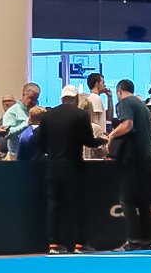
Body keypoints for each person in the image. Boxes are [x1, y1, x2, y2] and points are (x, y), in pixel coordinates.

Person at [38, 85, 104, 253]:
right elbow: (88, 141)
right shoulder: (80, 115)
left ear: (61, 98)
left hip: (53, 167)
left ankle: (53, 243)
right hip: (73, 166)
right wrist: (101, 140)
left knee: (54, 206)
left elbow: (40, 144)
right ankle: (78, 244)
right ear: (75, 98)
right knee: (76, 206)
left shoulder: (47, 116)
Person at [110, 80, 151, 250]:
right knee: (144, 202)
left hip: (133, 160)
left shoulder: (125, 102)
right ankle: (146, 241)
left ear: (119, 91)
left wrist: (111, 136)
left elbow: (127, 125)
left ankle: (133, 240)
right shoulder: (143, 106)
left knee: (127, 201)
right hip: (148, 158)